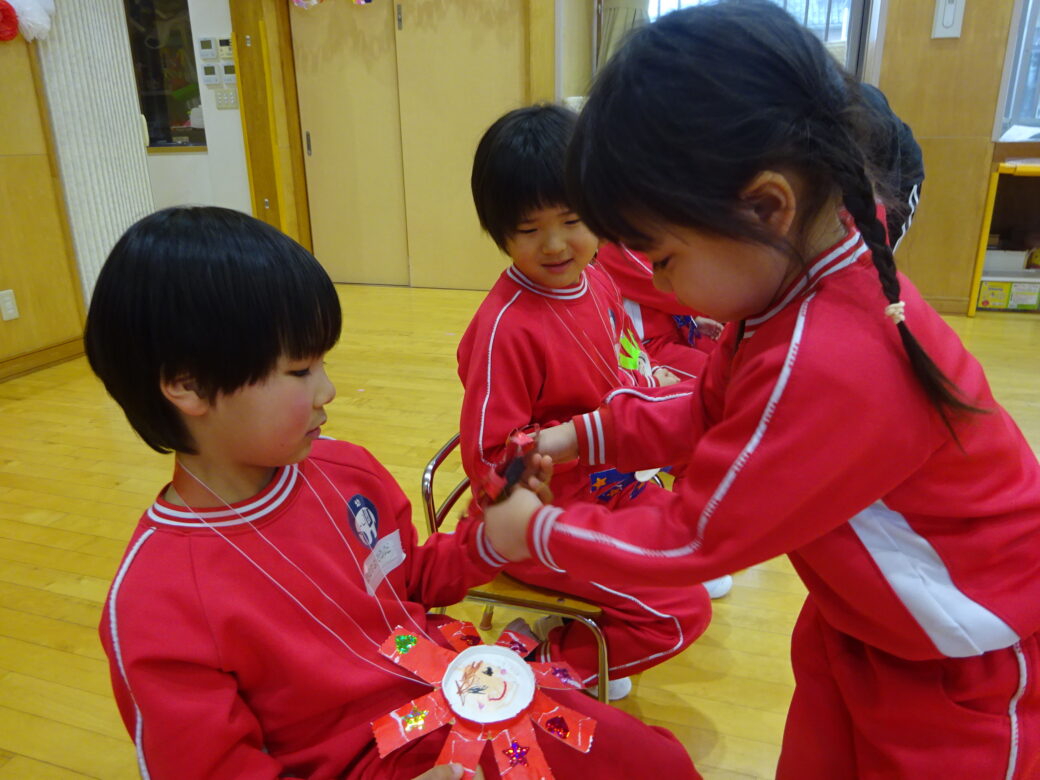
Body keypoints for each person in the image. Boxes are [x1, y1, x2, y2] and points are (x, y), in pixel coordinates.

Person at [481, 3, 1040, 778]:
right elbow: (710, 410)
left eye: (663, 258)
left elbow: (696, 534)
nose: (657, 285)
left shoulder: (832, 356)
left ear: (766, 206)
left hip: (963, 656)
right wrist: (581, 435)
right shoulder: (790, 290)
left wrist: (538, 532)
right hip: (864, 623)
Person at [84, 206, 699, 779]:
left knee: (653, 762)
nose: (327, 390)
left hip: (466, 691)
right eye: (300, 371)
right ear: (188, 387)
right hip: (381, 762)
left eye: (322, 363)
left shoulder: (345, 470)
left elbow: (412, 581)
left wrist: (490, 538)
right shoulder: (156, 603)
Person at [459, 104, 724, 701]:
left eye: (573, 219)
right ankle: (532, 665)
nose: (556, 244)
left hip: (610, 488)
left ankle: (580, 638)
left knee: (703, 546)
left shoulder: (597, 278)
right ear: (499, 232)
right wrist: (579, 443)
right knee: (680, 613)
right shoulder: (506, 329)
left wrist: (653, 395)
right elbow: (491, 460)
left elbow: (628, 363)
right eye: (529, 230)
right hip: (541, 521)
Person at [594, 241, 722, 381]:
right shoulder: (618, 249)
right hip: (650, 348)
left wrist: (692, 319)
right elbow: (669, 293)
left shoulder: (637, 241)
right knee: (721, 376)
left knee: (728, 354)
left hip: (677, 328)